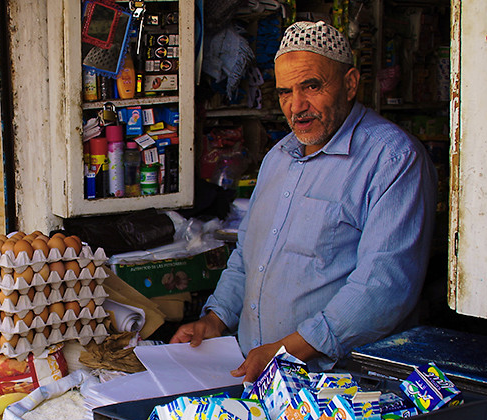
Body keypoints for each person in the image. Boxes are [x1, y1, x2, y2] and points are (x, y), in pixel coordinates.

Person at [172, 20, 438, 381]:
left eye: (312, 86)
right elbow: (248, 259)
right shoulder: (278, 157)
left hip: (339, 387)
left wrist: (285, 351)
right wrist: (214, 320)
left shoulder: (392, 159)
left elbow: (383, 288)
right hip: (259, 374)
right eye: (285, 92)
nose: (297, 106)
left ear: (349, 84)